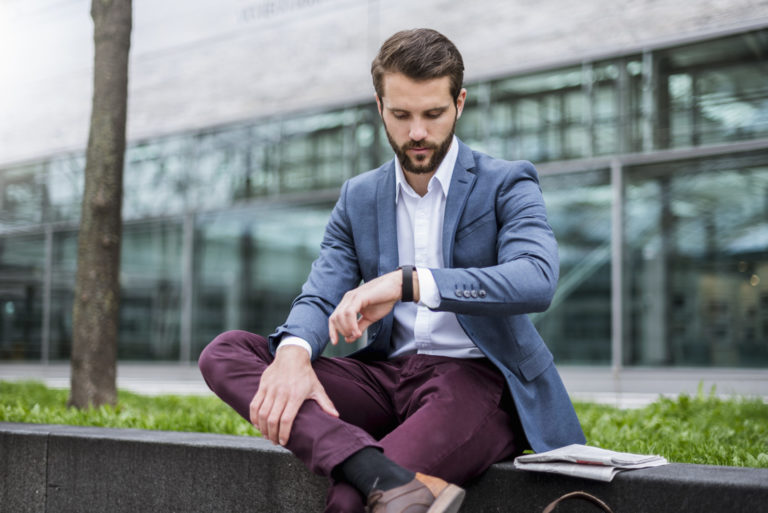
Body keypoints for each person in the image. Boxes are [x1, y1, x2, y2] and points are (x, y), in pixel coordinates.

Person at [199, 28, 585, 513]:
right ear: (379, 107)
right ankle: (367, 463)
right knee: (228, 352)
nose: (417, 132)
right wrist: (295, 356)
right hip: (384, 378)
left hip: (474, 382)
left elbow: (536, 277)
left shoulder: (506, 182)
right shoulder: (358, 196)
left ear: (459, 103)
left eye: (433, 114)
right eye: (401, 115)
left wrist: (409, 282)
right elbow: (320, 294)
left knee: (350, 501)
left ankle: (363, 472)